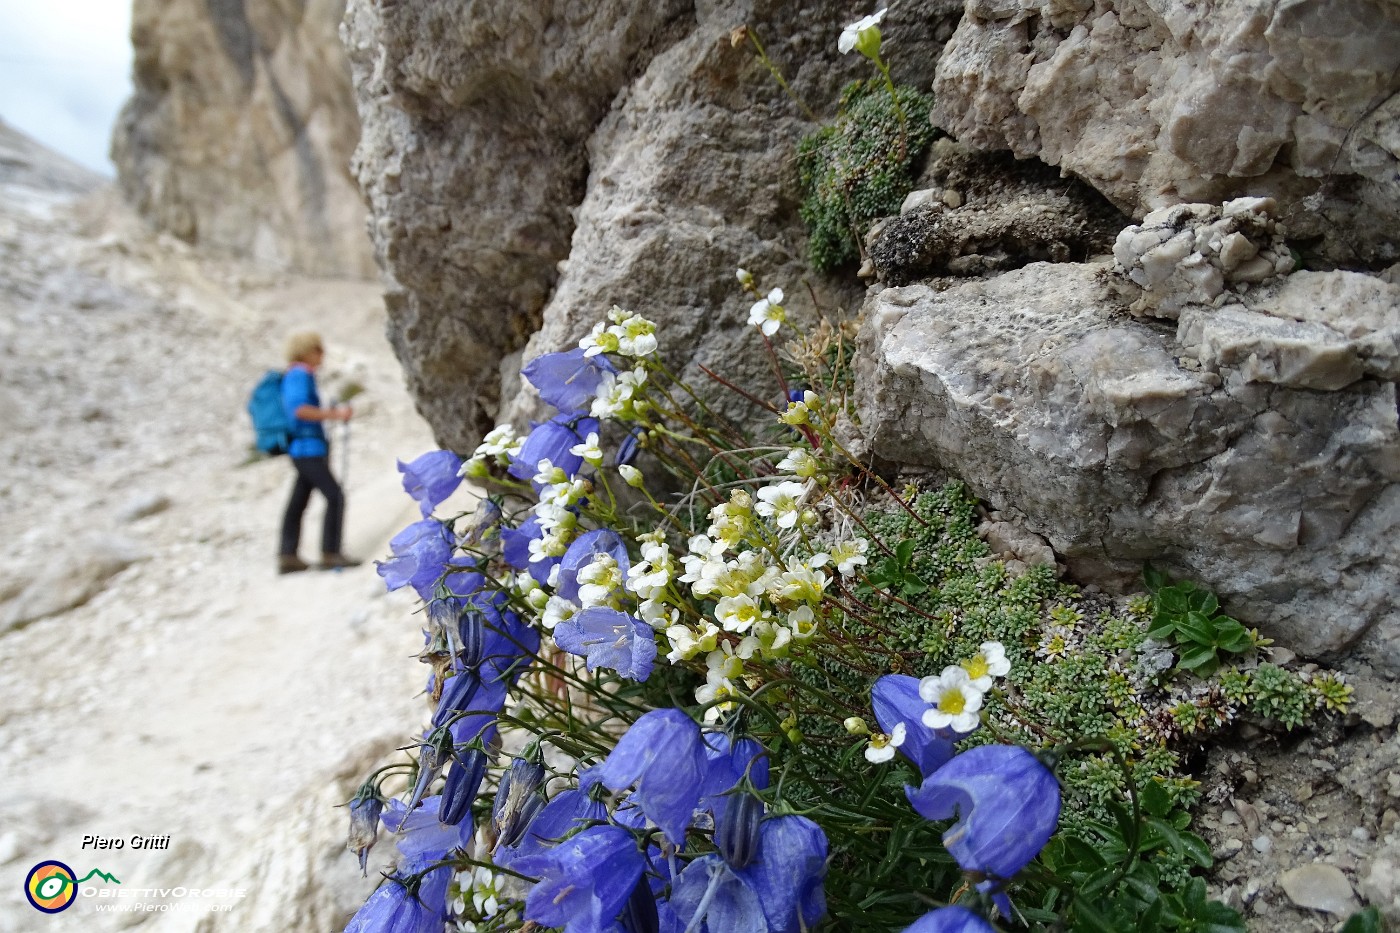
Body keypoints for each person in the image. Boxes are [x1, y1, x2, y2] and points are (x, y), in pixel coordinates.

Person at [278, 332, 358, 573]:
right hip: (307, 449)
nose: (322, 355)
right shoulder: (300, 374)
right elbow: (300, 410)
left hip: (302, 448)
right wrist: (336, 415)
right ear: (306, 351)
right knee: (335, 496)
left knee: (298, 502)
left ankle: (288, 556)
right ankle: (330, 553)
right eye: (318, 350)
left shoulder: (294, 375)